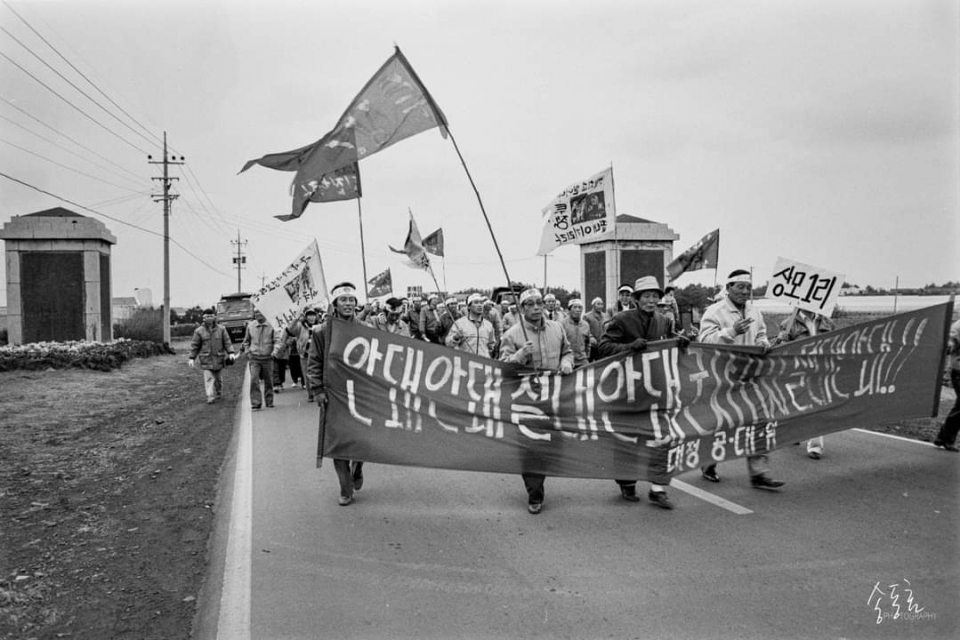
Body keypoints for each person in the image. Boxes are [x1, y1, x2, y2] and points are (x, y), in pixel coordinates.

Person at [598, 276, 683, 509]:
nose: (651, 300)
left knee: (662, 436)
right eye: (646, 296)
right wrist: (628, 347)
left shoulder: (664, 320)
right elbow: (603, 347)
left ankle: (658, 488)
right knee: (628, 438)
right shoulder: (621, 319)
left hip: (656, 389)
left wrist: (682, 342)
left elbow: (669, 343)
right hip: (627, 390)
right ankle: (626, 482)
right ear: (636, 299)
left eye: (655, 296)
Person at [697, 269, 784, 490]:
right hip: (723, 376)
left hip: (751, 375)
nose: (745, 292)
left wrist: (764, 342)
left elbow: (761, 333)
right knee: (720, 422)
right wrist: (731, 331)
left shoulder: (755, 311)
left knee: (759, 421)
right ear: (729, 288)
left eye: (748, 287)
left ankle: (759, 473)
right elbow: (705, 340)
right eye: (740, 287)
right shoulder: (715, 311)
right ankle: (708, 463)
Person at [499, 287, 574, 515]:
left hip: (554, 396)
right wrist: (519, 356)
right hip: (527, 400)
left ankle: (541, 474)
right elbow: (502, 368)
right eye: (529, 304)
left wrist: (567, 362)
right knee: (532, 447)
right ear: (522, 309)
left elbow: (567, 351)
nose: (536, 307)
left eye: (538, 302)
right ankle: (535, 492)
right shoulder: (512, 334)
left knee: (554, 443)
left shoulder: (557, 328)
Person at [306, 282, 366, 506]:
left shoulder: (364, 328)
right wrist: (318, 389)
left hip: (360, 393)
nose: (348, 304)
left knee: (361, 439)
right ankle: (345, 487)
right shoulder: (321, 331)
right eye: (343, 300)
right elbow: (314, 362)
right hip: (334, 394)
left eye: (351, 300)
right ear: (335, 304)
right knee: (339, 442)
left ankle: (358, 467)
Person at [772, 307, 837, 459]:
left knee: (817, 406)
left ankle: (815, 446)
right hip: (798, 371)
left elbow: (835, 343)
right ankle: (793, 431)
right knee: (797, 405)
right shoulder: (788, 323)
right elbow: (780, 350)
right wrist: (781, 340)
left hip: (820, 370)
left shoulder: (827, 322)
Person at [188, 308, 236, 404]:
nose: (209, 318)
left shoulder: (222, 329)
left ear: (214, 317)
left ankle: (218, 392)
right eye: (206, 317)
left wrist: (231, 352)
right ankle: (210, 396)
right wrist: (192, 358)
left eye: (211, 316)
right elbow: (195, 346)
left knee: (218, 379)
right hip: (206, 359)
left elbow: (227, 342)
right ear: (203, 318)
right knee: (209, 378)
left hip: (218, 358)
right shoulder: (198, 331)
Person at [240, 308, 282, 410]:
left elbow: (277, 340)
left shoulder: (272, 325)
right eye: (256, 313)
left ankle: (269, 401)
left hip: (268, 358)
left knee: (269, 381)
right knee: (254, 380)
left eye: (260, 312)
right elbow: (246, 341)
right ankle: (256, 402)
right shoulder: (250, 326)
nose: (258, 314)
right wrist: (247, 352)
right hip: (254, 358)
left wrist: (274, 352)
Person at [933, 318, 960, 452]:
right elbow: (949, 344)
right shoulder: (958, 327)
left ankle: (943, 436)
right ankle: (946, 437)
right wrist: (949, 346)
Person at [446, 293, 496, 357]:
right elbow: (448, 343)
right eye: (476, 303)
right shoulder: (459, 323)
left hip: (483, 363)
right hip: (465, 363)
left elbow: (491, 344)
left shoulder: (488, 325)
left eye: (481, 303)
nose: (479, 305)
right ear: (469, 306)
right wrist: (455, 338)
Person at [288, 307, 320, 402]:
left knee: (318, 374)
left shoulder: (319, 326)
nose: (311, 317)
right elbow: (291, 329)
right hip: (304, 354)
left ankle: (318, 392)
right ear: (306, 317)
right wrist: (296, 319)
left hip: (317, 355)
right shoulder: (300, 326)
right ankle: (310, 394)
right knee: (307, 375)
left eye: (313, 315)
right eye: (309, 315)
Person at [561, 298, 591, 368]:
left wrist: (586, 356)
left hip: (582, 360)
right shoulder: (562, 324)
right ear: (569, 310)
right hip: (567, 361)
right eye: (575, 307)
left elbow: (588, 343)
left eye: (580, 307)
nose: (577, 310)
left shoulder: (586, 325)